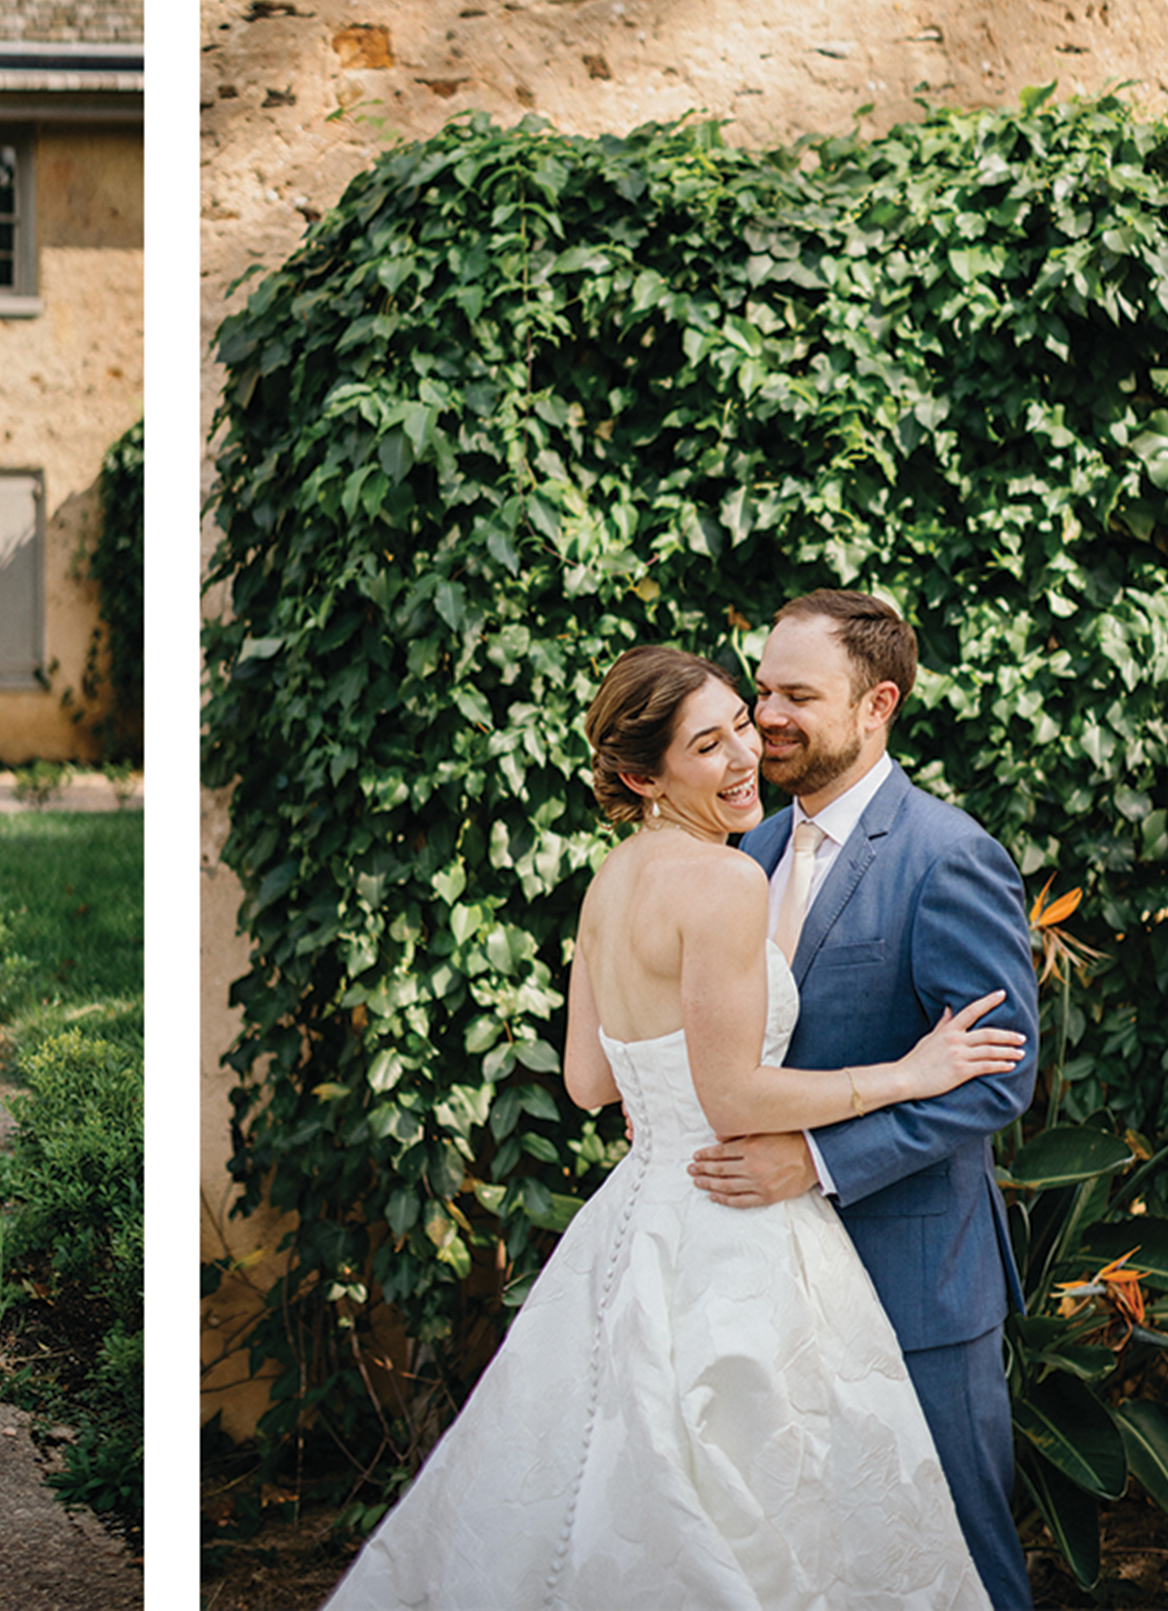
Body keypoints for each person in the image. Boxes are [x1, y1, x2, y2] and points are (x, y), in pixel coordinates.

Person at [324, 643, 1024, 1611]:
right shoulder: (731, 879)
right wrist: (904, 1071)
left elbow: (585, 1079)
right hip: (737, 1230)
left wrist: (669, 1100)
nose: (747, 752)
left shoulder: (612, 880)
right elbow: (735, 1098)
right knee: (776, 1502)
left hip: (638, 1216)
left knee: (603, 1476)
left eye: (745, 720)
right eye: (711, 742)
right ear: (642, 775)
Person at [690, 590, 1041, 1611]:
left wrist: (817, 1159)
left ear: (877, 701)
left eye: (798, 692)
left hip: (915, 1278)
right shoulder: (743, 855)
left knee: (960, 1558)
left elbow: (1000, 1071)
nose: (766, 716)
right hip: (773, 1279)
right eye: (761, 689)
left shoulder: (947, 856)